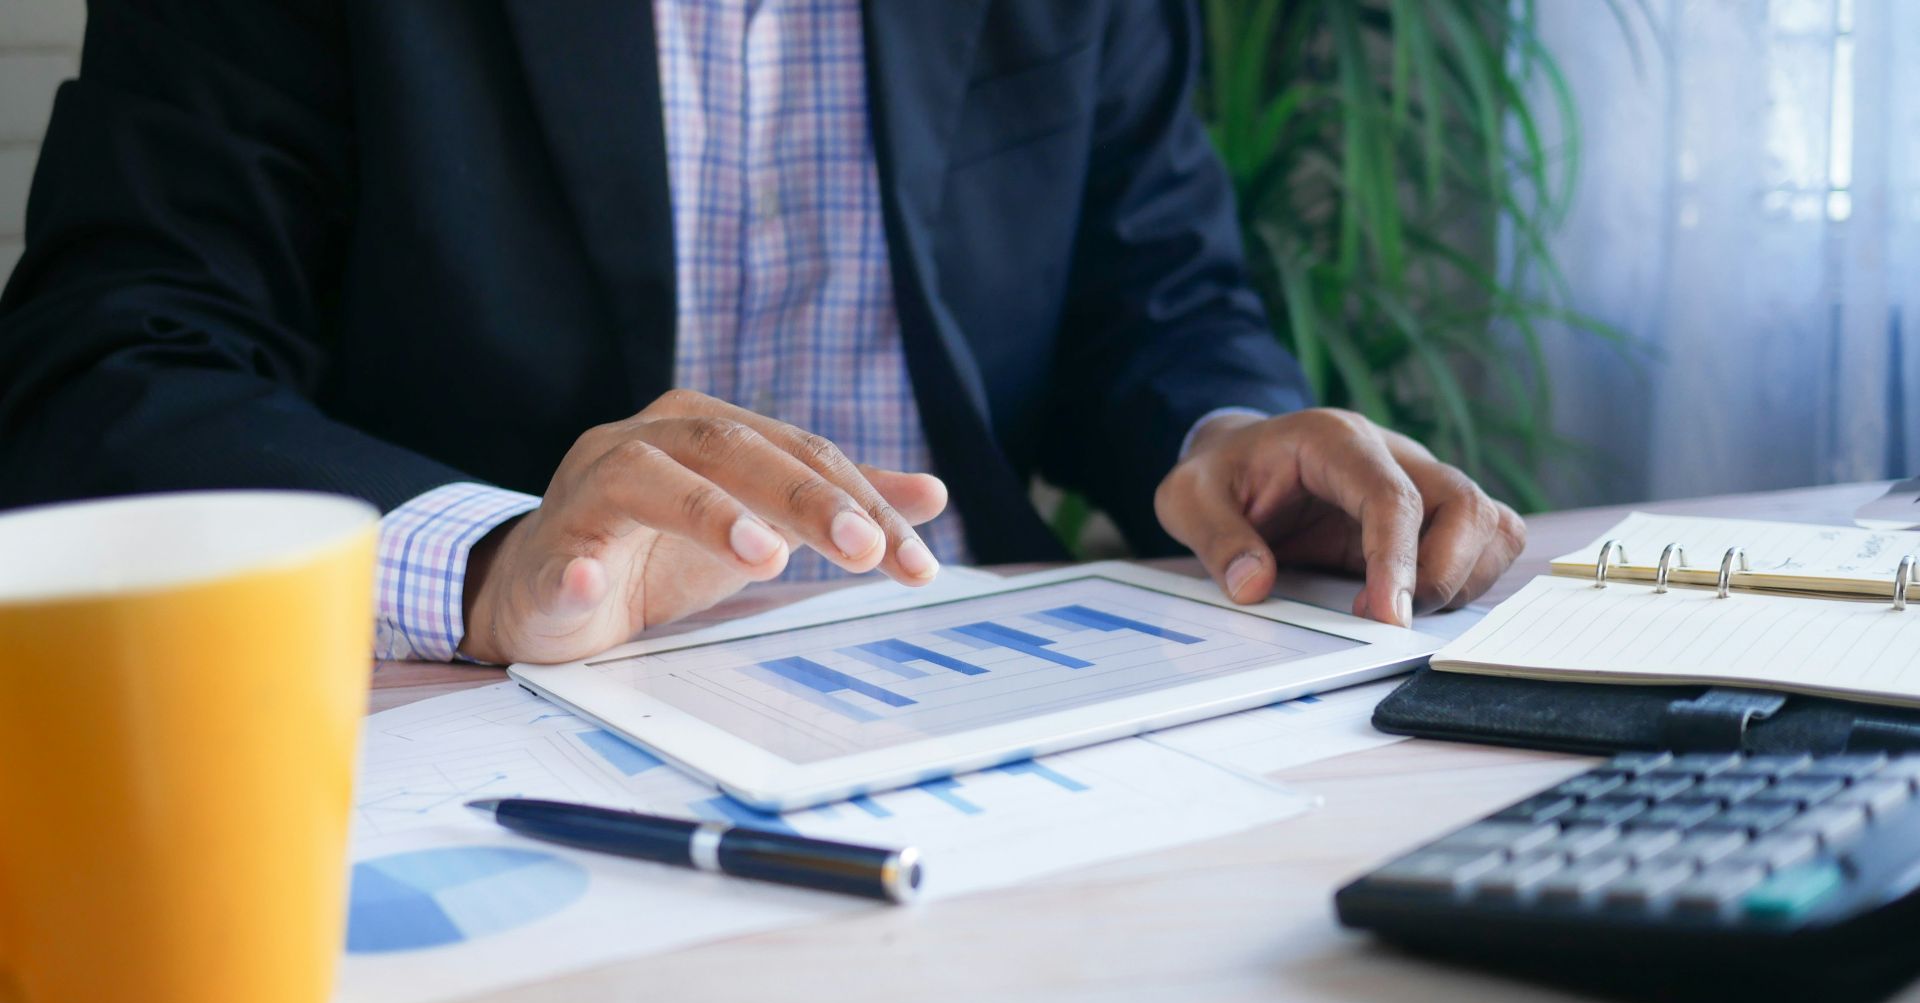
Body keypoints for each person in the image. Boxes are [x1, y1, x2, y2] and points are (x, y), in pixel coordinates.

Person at [0, 0, 1522, 665]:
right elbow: (106, 365)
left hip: (982, 683)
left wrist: (1231, 433)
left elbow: (1154, 291)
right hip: (496, 710)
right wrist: (492, 560)